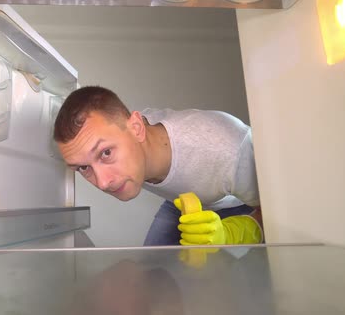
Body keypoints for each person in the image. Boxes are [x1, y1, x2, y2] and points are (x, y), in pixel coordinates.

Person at [53, 86, 263, 246]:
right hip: (179, 201)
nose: (103, 182)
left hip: (235, 205)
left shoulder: (227, 148)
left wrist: (232, 233)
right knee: (153, 275)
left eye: (106, 153)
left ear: (137, 128)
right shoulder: (127, 132)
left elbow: (283, 213)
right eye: (83, 168)